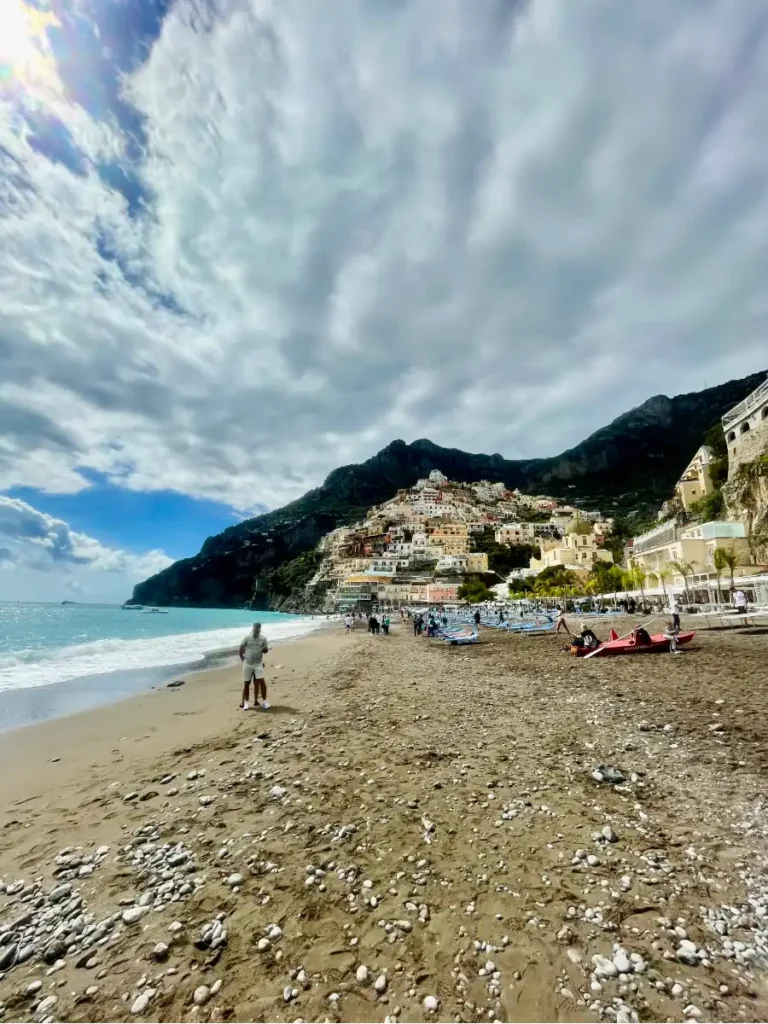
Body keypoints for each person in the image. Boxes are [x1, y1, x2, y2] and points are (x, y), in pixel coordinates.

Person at [239, 622, 269, 711]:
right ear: (252, 629)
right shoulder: (247, 638)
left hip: (258, 664)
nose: (256, 631)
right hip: (247, 664)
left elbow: (266, 650)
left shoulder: (263, 638)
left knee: (261, 683)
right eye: (255, 630)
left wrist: (265, 649)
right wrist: (242, 660)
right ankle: (245, 702)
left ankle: (263, 701)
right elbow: (240, 648)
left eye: (258, 630)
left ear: (260, 629)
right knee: (246, 683)